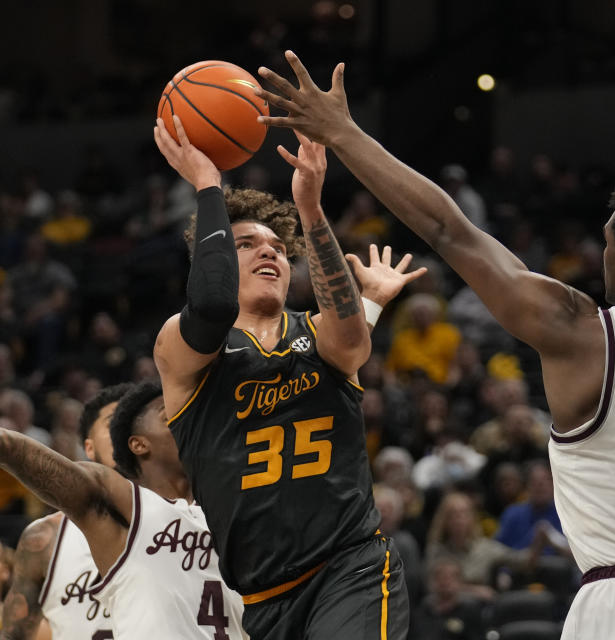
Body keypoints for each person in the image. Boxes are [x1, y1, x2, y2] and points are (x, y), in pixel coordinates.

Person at [256, 38, 615, 639]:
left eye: (610, 244)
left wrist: (344, 133)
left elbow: (447, 228)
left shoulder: (583, 334)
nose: (604, 256)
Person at [152, 116, 422, 639]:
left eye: (278, 245)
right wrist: (208, 184)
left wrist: (311, 208)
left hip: (351, 566)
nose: (270, 250)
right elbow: (210, 302)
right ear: (217, 260)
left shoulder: (318, 334)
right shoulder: (181, 348)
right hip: (263, 596)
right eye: (248, 244)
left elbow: (350, 339)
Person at [0, 380, 248, 638]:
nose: (184, 422)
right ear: (137, 444)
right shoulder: (124, 511)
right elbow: (57, 471)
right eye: (169, 416)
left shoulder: (230, 508)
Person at [0, 383, 130, 640]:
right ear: (89, 448)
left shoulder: (192, 516)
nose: (127, 429)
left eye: (137, 420)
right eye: (115, 421)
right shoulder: (44, 538)